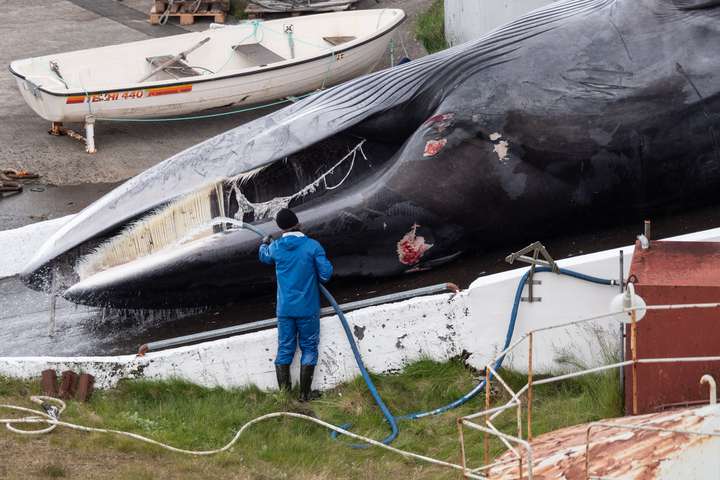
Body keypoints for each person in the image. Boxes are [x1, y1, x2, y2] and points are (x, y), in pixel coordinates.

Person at [259, 208, 333, 401]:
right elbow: (326, 274)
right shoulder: (312, 246)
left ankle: (286, 397)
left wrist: (264, 243)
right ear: (298, 223)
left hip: (284, 310)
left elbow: (264, 256)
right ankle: (305, 395)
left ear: (281, 228)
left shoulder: (276, 248)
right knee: (309, 347)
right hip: (307, 308)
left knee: (285, 349)